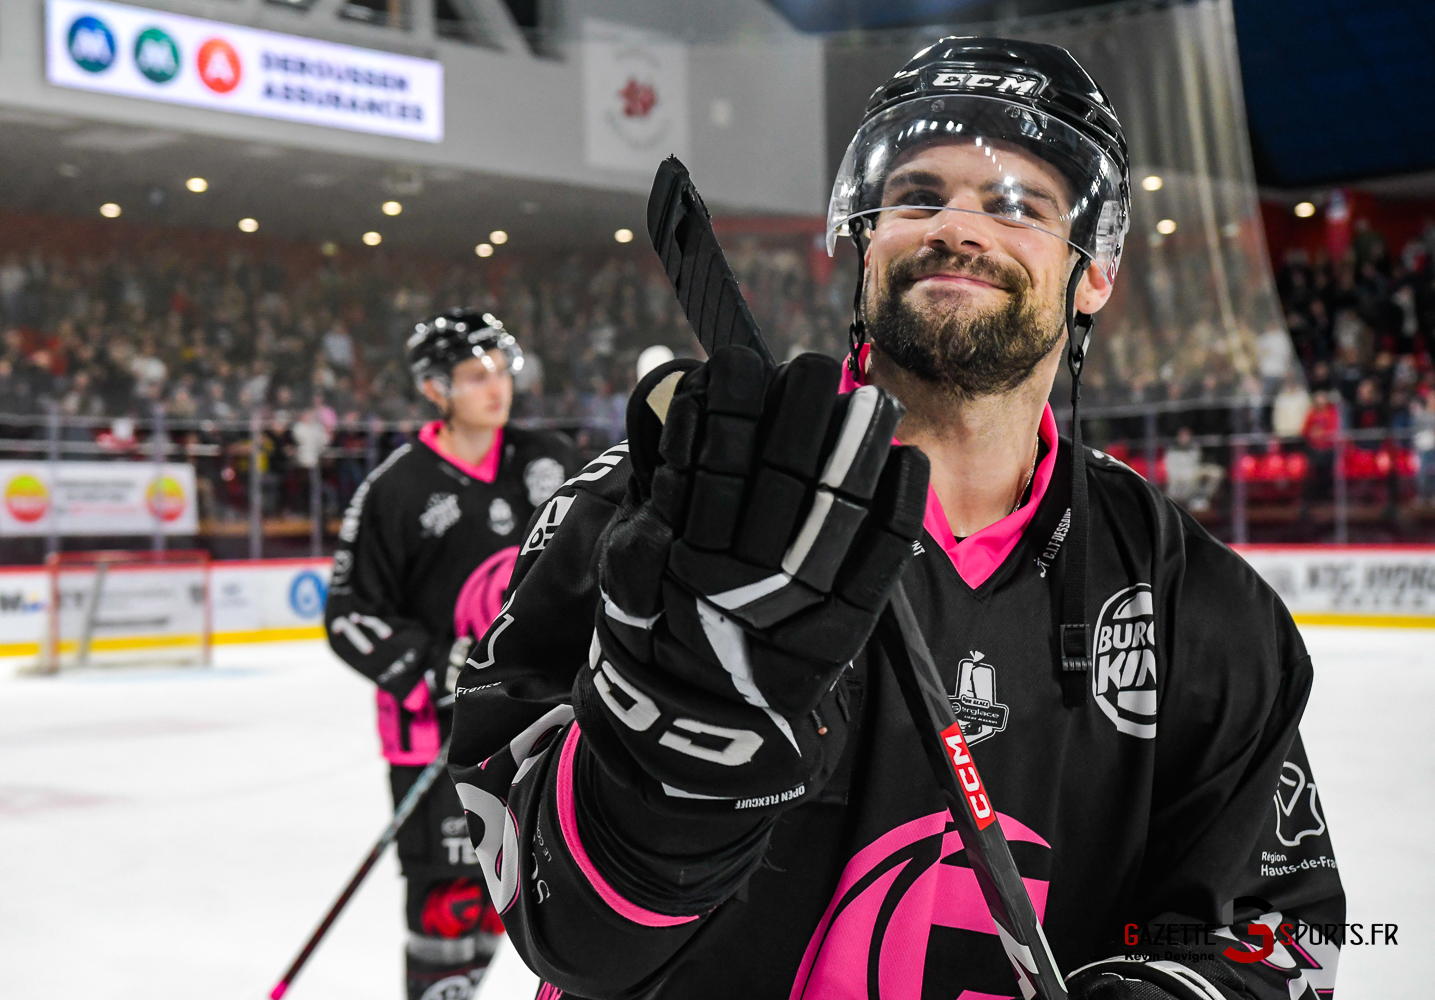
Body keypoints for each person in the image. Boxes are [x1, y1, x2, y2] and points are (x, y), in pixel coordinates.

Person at [450, 39, 1343, 999]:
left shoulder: (1200, 602)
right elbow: (566, 936)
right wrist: (674, 747)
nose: (959, 225)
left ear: (1097, 272)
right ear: (864, 238)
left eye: (1018, 205)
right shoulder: (654, 506)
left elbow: (1285, 934)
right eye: (918, 195)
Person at [323, 310, 580, 1000]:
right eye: (474, 376)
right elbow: (348, 612)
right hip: (431, 734)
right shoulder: (395, 490)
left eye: (500, 370)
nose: (496, 387)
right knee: (447, 907)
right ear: (436, 391)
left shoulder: (551, 460)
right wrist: (441, 665)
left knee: (517, 887)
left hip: (536, 720)